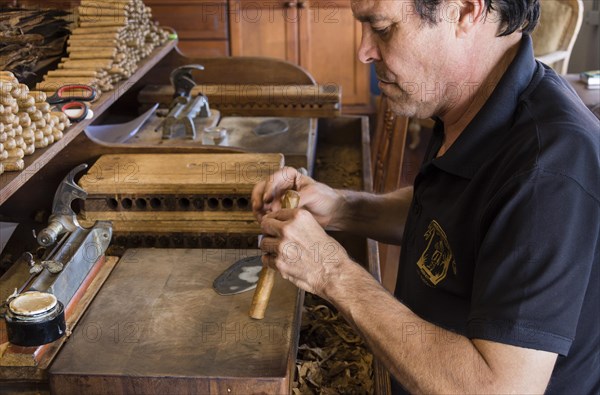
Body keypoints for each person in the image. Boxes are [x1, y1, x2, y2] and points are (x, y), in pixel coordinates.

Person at [252, 0, 600, 393]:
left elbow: (496, 388)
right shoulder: (470, 101)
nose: (363, 51)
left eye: (382, 28)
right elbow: (452, 218)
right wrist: (343, 207)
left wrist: (332, 272)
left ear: (465, 12)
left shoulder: (548, 170)